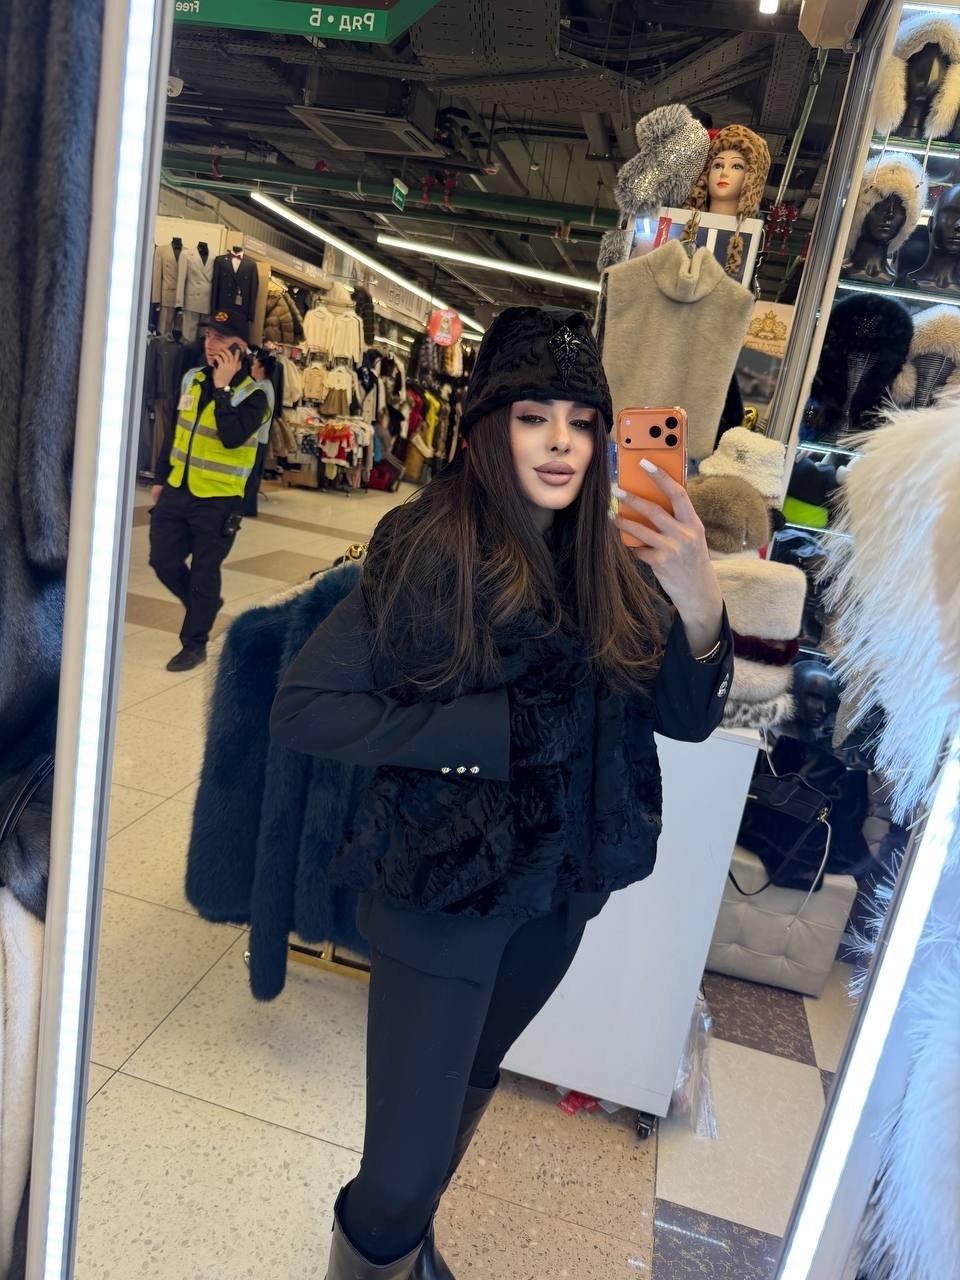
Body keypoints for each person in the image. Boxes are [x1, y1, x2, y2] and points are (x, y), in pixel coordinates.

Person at [269, 307, 733, 1280]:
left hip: (559, 898)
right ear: (490, 426)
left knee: (460, 1105)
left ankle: (411, 1253)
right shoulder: (429, 546)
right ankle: (389, 1246)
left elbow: (685, 720)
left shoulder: (614, 565)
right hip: (443, 895)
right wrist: (495, 735)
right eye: (533, 416)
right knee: (397, 1176)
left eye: (581, 420)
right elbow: (306, 707)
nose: (561, 442)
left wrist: (700, 603)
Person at [148, 307, 269, 672]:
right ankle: (205, 606)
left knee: (204, 571)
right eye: (209, 336)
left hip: (219, 500)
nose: (210, 344)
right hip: (178, 489)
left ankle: (194, 643)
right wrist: (161, 478)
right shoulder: (192, 378)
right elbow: (176, 430)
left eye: (221, 339)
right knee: (162, 560)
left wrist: (222, 388)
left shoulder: (255, 396)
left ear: (239, 348)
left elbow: (231, 437)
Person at [241, 348, 277, 518]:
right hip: (261, 437)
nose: (252, 367)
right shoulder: (266, 386)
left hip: (256, 437)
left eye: (255, 364)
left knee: (251, 474)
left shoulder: (261, 388)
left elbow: (259, 416)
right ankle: (248, 506)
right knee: (253, 473)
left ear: (261, 368)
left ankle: (247, 507)